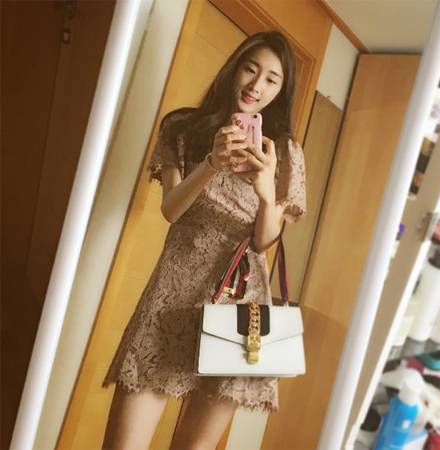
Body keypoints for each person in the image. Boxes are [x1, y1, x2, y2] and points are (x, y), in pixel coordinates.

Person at [101, 30, 307, 450]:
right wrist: (211, 163)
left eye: (271, 79)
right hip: (173, 292)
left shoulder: (285, 153)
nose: (256, 85)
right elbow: (171, 210)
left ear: (280, 91)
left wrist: (266, 192)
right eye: (251, 69)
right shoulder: (182, 128)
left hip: (242, 301)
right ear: (234, 68)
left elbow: (264, 241)